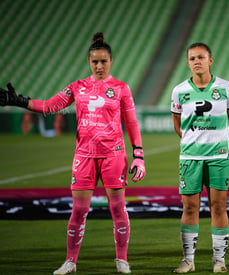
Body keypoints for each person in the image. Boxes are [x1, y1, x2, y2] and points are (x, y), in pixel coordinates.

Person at [0, 32, 146, 274]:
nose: (99, 65)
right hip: (84, 156)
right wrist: (20, 101)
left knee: (118, 209)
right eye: (95, 61)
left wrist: (138, 155)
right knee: (78, 210)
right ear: (89, 62)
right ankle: (70, 261)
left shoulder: (121, 88)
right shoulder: (77, 87)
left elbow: (131, 123)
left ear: (111, 62)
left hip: (114, 156)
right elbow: (49, 106)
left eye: (104, 61)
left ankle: (121, 259)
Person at [171, 42, 229, 273]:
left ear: (211, 60)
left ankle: (219, 260)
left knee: (218, 205)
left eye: (201, 57)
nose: (196, 61)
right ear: (188, 62)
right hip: (190, 157)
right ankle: (188, 260)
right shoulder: (179, 90)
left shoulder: (226, 88)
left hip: (219, 156)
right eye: (192, 58)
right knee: (189, 208)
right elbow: (178, 125)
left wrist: (219, 142)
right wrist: (195, 142)